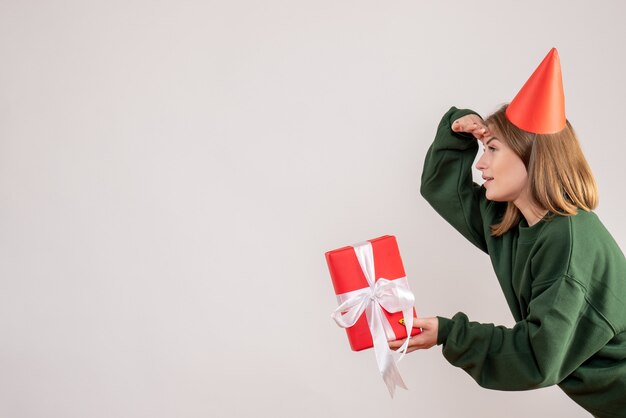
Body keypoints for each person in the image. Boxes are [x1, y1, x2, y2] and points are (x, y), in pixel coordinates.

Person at [389, 48, 626, 418]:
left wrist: (450, 335)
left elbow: (537, 357)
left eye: (493, 149)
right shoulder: (513, 223)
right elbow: (441, 187)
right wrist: (460, 129)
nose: (480, 163)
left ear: (534, 156)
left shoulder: (569, 241)